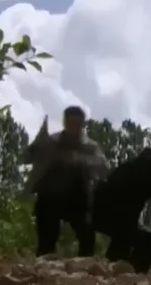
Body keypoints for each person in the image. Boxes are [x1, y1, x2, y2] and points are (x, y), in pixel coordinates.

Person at [24, 105, 108, 258]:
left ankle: (84, 268)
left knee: (86, 237)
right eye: (71, 123)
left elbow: (104, 166)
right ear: (65, 122)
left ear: (83, 125)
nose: (74, 127)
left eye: (77, 124)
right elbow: (26, 158)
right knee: (47, 239)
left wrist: (78, 159)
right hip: (50, 195)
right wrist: (37, 147)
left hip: (77, 197)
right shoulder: (52, 141)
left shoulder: (90, 146)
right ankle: (44, 266)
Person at [92, 142, 151, 273]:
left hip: (104, 214)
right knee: (147, 240)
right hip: (111, 215)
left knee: (127, 237)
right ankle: (129, 275)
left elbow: (150, 154)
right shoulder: (149, 172)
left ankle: (114, 269)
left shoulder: (139, 163)